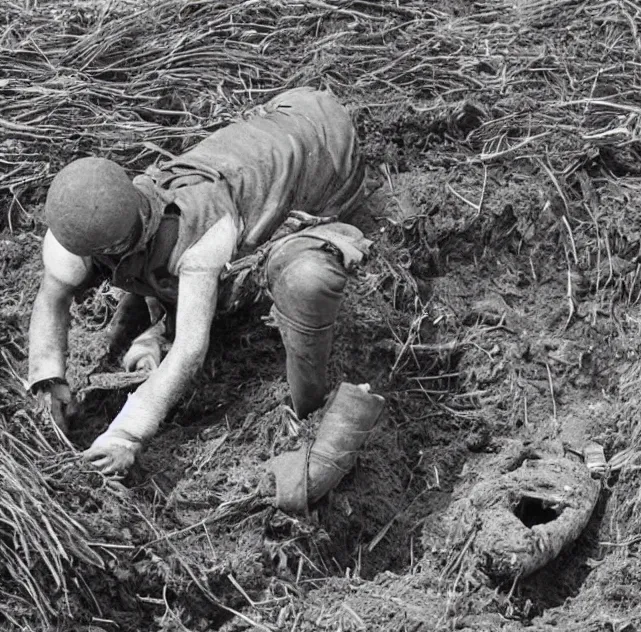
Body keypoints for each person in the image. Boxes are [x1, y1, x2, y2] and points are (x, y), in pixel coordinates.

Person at [28, 87, 384, 509]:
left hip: (325, 148)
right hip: (269, 123)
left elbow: (191, 350)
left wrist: (127, 433)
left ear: (125, 238)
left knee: (303, 280)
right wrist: (47, 380)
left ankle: (310, 409)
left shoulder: (199, 236)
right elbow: (53, 297)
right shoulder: (82, 222)